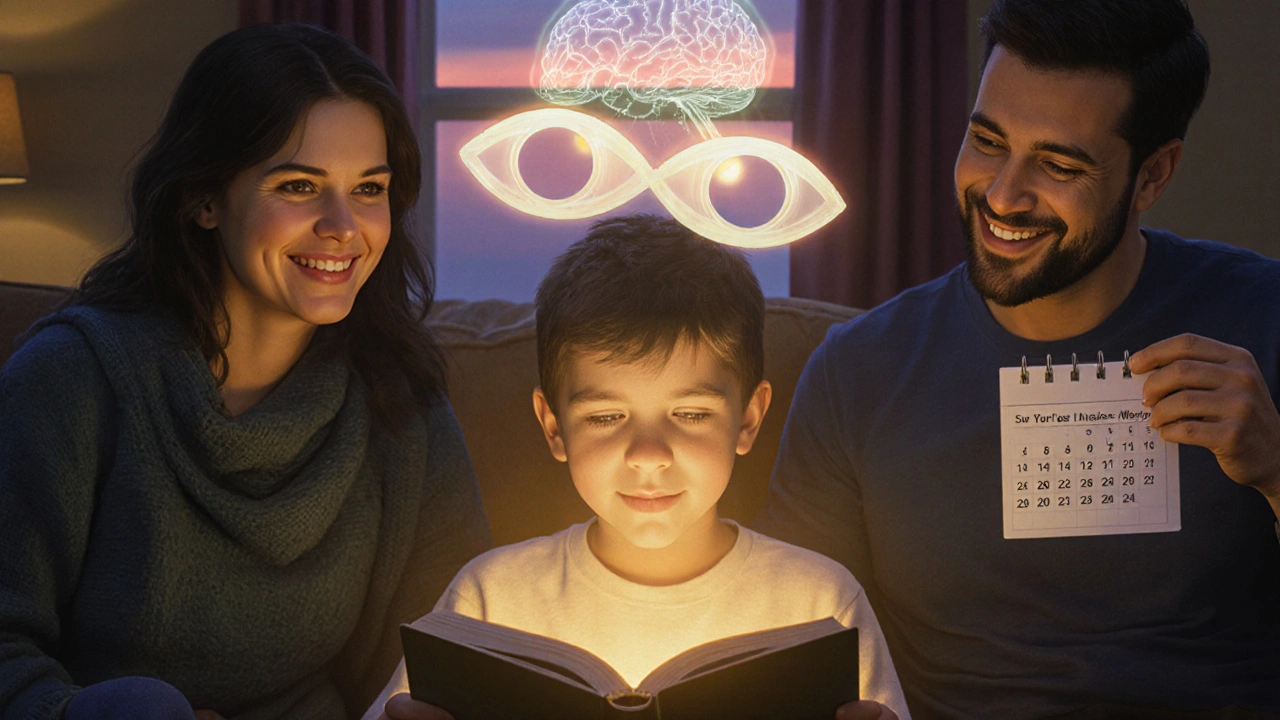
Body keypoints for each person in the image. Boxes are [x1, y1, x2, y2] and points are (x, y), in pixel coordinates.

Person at [756, 0, 1280, 718]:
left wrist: (1279, 472)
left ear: (1152, 176)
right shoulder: (860, 373)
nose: (1003, 195)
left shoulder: (1264, 321)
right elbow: (791, 644)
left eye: (1058, 164)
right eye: (987, 142)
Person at [0, 23, 492, 720]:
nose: (343, 226)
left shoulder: (401, 402)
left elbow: (454, 647)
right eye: (299, 185)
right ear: (203, 199)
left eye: (370, 189)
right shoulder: (71, 380)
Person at [364, 214, 910, 720]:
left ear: (748, 419)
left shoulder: (819, 603)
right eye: (606, 417)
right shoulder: (490, 597)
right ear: (554, 426)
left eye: (691, 413)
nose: (648, 455)